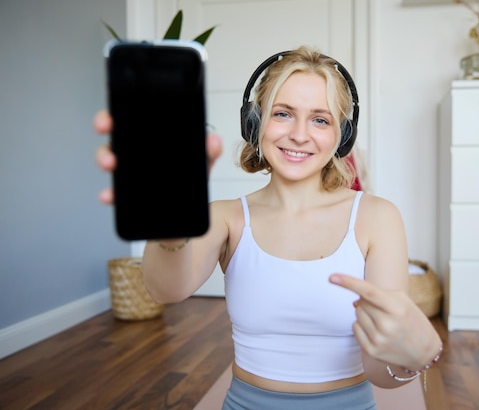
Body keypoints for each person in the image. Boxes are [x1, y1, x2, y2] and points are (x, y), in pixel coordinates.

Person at [95, 45, 442, 410]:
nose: (299, 134)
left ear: (343, 135)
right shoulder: (226, 218)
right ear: (255, 122)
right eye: (283, 114)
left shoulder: (377, 217)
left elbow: (381, 375)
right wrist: (169, 216)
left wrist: (413, 357)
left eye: (320, 119)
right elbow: (164, 290)